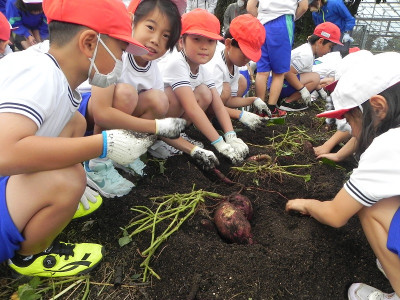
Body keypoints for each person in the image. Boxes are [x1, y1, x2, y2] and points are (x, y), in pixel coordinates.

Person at [0, 0, 162, 277]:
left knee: (74, 122)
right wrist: (104, 143)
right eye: (120, 51)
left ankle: (38, 208)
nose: (121, 61)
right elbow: (4, 153)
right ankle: (29, 258)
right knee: (69, 180)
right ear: (89, 43)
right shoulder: (39, 73)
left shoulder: (52, 74)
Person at [285, 52, 400, 300]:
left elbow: (335, 215)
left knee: (371, 205)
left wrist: (305, 203)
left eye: (350, 119)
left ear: (378, 107)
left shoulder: (388, 146)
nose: (350, 129)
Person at [80, 0, 188, 198]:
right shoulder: (116, 53)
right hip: (85, 112)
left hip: (112, 115)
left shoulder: (153, 69)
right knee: (127, 94)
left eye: (165, 36)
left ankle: (122, 152)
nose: (156, 40)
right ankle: (97, 161)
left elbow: (155, 111)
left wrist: (193, 149)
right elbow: (102, 113)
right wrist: (156, 128)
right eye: (150, 27)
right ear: (132, 22)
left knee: (159, 100)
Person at [160, 8, 249, 166]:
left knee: (205, 94)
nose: (204, 47)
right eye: (196, 39)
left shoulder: (203, 68)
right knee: (176, 96)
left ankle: (178, 133)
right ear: (181, 42)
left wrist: (230, 135)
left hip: (174, 116)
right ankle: (163, 139)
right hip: (154, 118)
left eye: (210, 41)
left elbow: (218, 104)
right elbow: (192, 108)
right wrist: (219, 143)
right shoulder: (176, 63)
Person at [205, 13, 271, 129]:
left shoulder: (233, 63)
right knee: (226, 89)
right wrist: (240, 115)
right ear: (229, 44)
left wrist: (254, 100)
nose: (247, 59)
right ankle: (209, 121)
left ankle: (220, 117)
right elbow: (212, 105)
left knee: (241, 81)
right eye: (244, 54)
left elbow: (230, 100)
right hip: (195, 103)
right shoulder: (215, 63)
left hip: (213, 103)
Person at [246, 0, 309, 119]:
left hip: (262, 25)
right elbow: (304, 6)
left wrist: (262, 18)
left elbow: (250, 7)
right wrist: (292, 18)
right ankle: (271, 108)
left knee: (262, 71)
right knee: (279, 73)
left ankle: (260, 109)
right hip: (283, 23)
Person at [276, 22, 343, 112]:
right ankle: (288, 103)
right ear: (320, 41)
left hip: (280, 85)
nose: (329, 51)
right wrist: (302, 89)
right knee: (315, 77)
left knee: (314, 77)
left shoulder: (309, 51)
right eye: (329, 47)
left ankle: (284, 100)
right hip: (279, 85)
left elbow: (304, 75)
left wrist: (320, 90)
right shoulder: (306, 54)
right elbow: (288, 73)